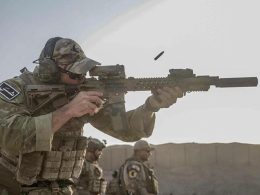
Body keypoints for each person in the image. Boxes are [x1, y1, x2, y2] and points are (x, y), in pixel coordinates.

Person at [0, 37, 183, 195]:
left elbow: (126, 132)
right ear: (50, 69)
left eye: (83, 71)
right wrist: (68, 111)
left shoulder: (79, 92)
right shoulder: (16, 89)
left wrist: (151, 107)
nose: (81, 78)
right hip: (14, 188)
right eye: (75, 72)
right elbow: (10, 137)